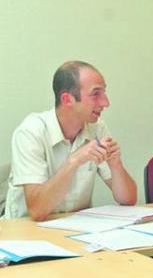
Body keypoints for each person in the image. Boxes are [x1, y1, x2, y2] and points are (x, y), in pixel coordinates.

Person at [4, 61, 137, 220]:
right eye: (95, 94)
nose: (105, 102)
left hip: (74, 230)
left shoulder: (97, 127)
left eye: (104, 93)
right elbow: (37, 211)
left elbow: (128, 199)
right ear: (67, 99)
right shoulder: (30, 132)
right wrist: (73, 161)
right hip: (26, 233)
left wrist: (116, 165)